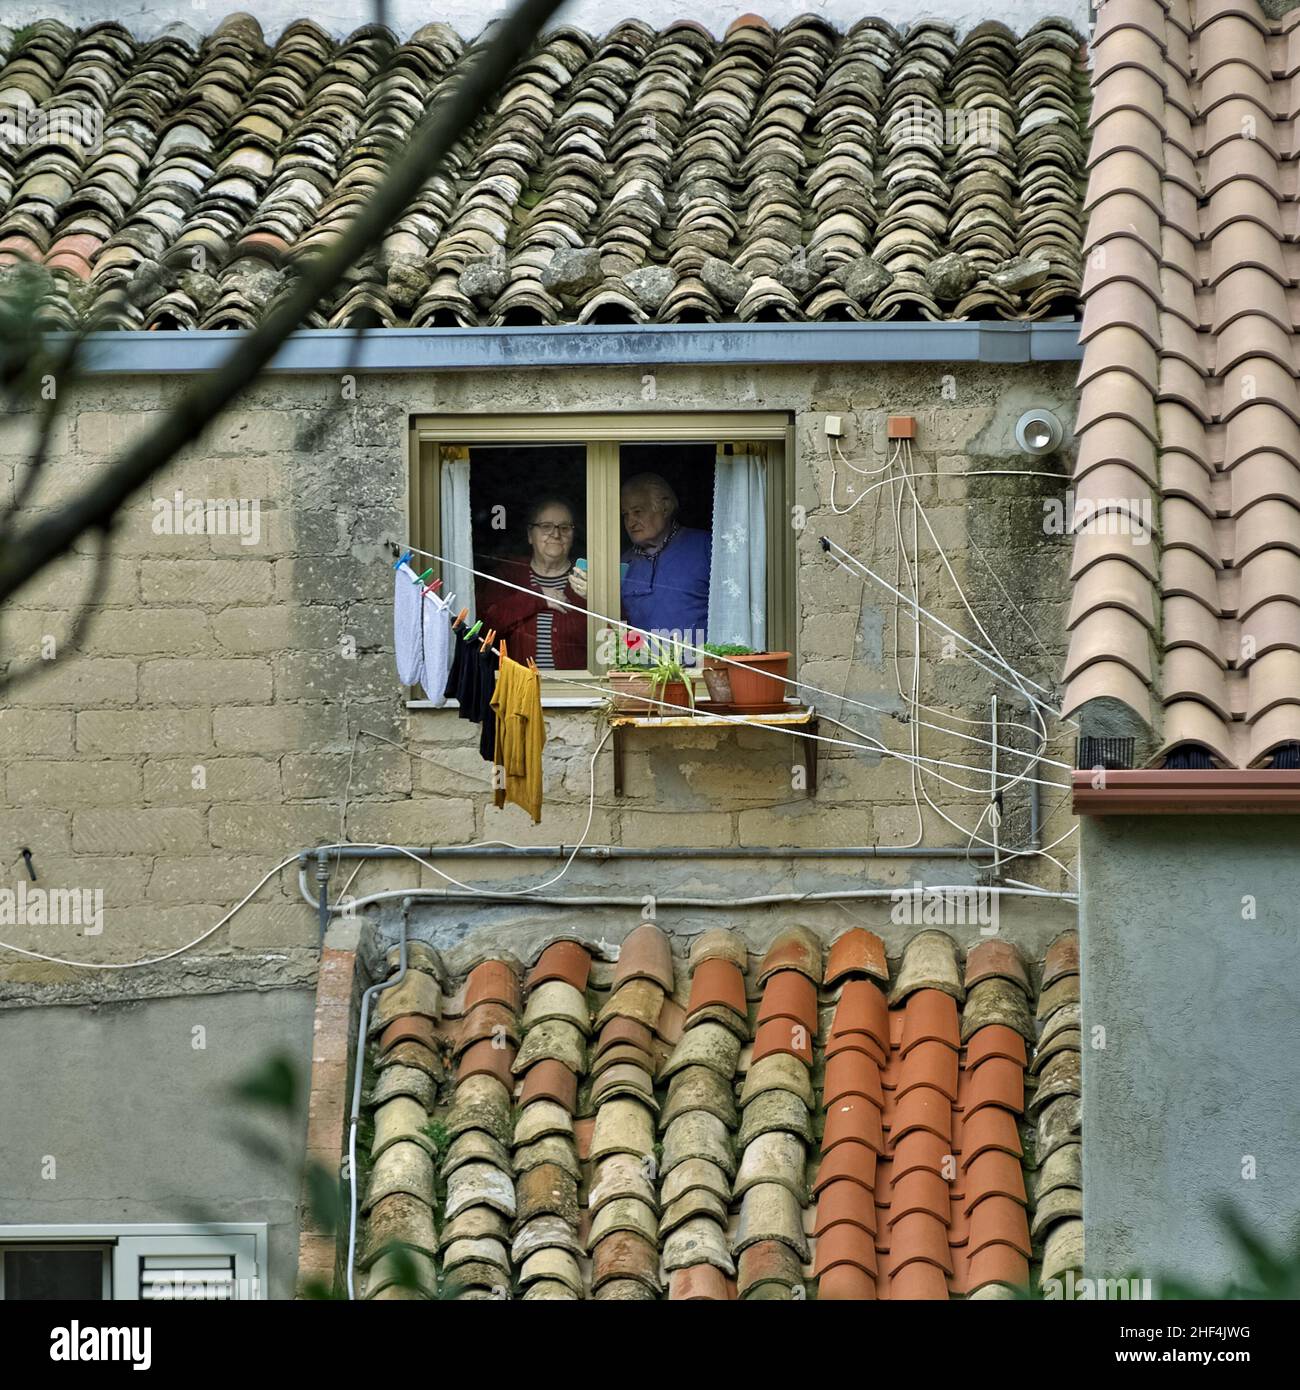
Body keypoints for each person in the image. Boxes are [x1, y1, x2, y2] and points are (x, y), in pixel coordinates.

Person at [478, 496, 588, 669]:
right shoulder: (509, 574)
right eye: (546, 527)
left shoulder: (587, 578)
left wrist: (594, 600)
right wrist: (537, 597)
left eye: (565, 528)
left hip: (577, 692)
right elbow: (485, 629)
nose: (556, 534)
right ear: (530, 535)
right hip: (518, 690)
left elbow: (616, 638)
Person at [620, 473, 711, 647]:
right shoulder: (623, 563)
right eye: (625, 514)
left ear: (665, 507)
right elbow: (616, 626)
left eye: (638, 511)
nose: (631, 521)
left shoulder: (706, 547)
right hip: (639, 672)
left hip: (700, 671)